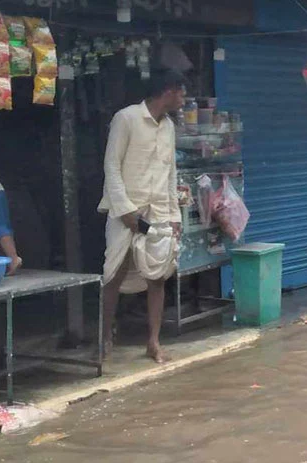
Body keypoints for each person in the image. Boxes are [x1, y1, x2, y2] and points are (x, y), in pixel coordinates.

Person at [99, 69, 186, 363]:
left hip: (159, 212)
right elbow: (111, 166)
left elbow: (170, 173)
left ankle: (153, 342)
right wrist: (125, 210)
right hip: (127, 212)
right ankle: (104, 337)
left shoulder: (169, 127)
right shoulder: (126, 119)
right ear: (168, 92)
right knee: (114, 273)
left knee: (158, 277)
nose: (184, 99)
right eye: (181, 93)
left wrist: (175, 215)